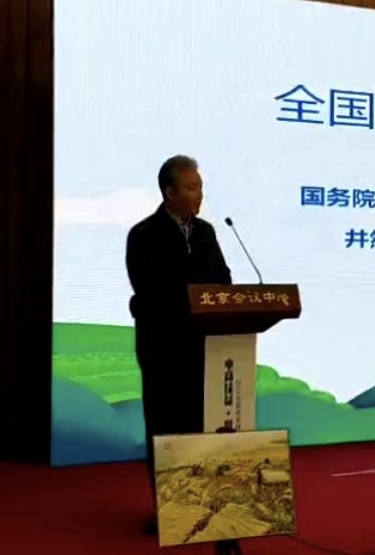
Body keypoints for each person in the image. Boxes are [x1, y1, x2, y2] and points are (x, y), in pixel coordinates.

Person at [125, 154, 232, 532]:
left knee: (199, 425)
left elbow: (223, 281)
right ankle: (169, 511)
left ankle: (204, 505)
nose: (199, 194)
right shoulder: (144, 234)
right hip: (163, 347)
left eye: (200, 187)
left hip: (203, 346)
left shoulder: (206, 232)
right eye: (191, 187)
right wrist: (192, 294)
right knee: (166, 427)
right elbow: (149, 288)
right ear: (169, 193)